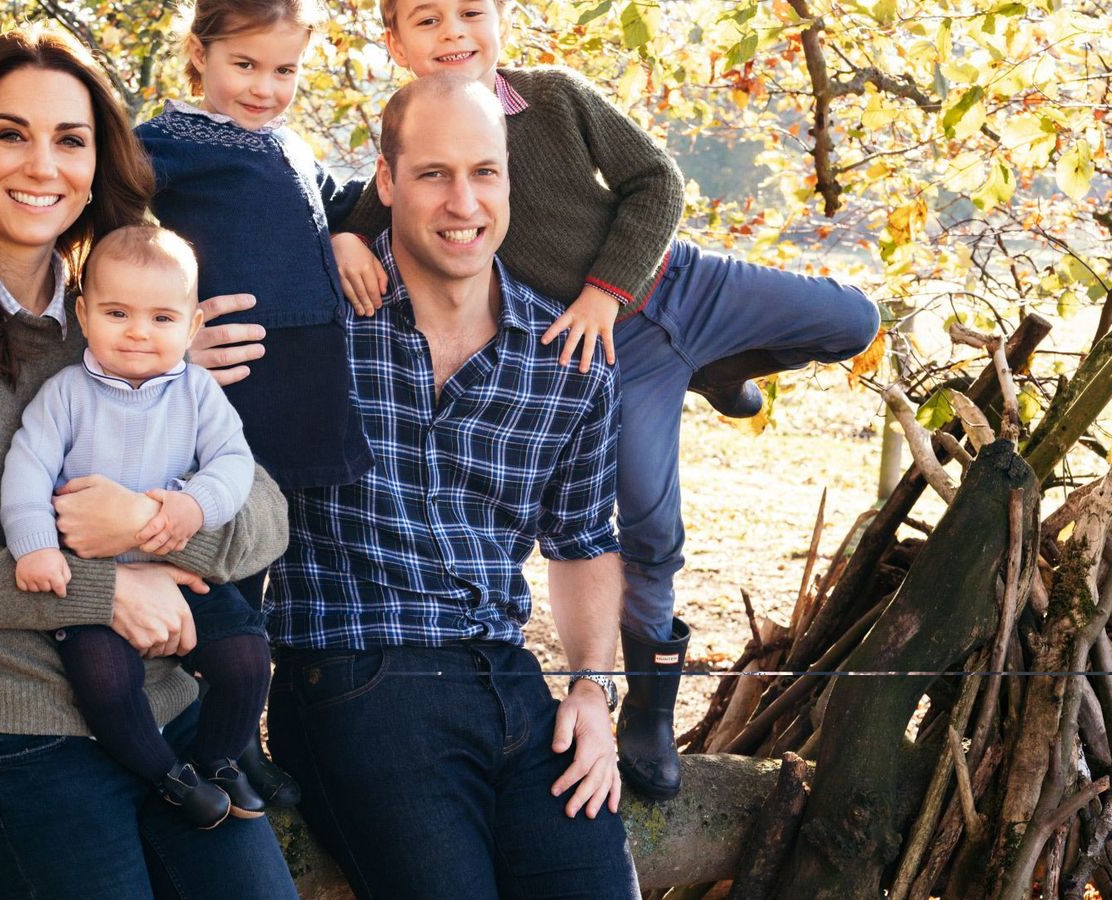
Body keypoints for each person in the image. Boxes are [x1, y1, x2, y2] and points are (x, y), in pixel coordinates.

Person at [332, 0, 881, 801]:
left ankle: (721, 367)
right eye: (427, 19)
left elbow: (656, 180)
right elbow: (364, 217)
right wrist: (344, 238)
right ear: (395, 44)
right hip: (615, 358)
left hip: (679, 284)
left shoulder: (552, 95)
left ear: (501, 20)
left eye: (470, 12)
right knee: (649, 527)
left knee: (852, 319)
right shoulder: (416, 141)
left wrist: (605, 288)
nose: (453, 32)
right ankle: (650, 711)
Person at [0, 23, 297, 899]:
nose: (42, 165)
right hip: (17, 732)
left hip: (175, 712)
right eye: (12, 133)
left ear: (96, 164)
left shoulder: (126, 311)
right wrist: (108, 589)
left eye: (69, 140)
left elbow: (264, 513)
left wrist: (155, 531)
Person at [266, 73, 639, 899]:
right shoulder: (315, 327)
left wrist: (590, 685)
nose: (462, 201)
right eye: (433, 174)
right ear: (388, 183)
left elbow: (582, 541)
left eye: (484, 172)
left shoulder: (566, 361)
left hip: (507, 677)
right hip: (351, 672)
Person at [134, 0, 374, 806]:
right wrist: (164, 329)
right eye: (245, 65)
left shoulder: (290, 144)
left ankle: (242, 734)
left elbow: (333, 200)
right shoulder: (165, 144)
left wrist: (344, 233)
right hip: (232, 391)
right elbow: (104, 234)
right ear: (199, 54)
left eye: (285, 70)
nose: (266, 88)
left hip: (300, 386)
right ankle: (218, 738)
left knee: (263, 566)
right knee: (221, 569)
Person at [0, 225, 269, 828]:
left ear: (193, 325)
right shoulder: (65, 394)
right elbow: (26, 469)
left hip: (175, 572)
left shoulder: (198, 393)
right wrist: (36, 547)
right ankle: (165, 776)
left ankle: (219, 758)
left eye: (162, 318)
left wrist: (192, 507)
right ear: (84, 313)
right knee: (105, 679)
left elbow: (233, 463)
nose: (139, 332)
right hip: (92, 581)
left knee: (247, 655)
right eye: (117, 312)